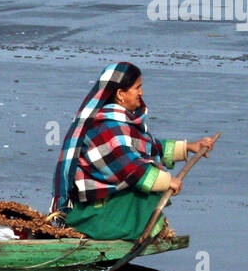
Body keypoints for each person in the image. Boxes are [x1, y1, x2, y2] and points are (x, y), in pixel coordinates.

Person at [50, 62, 215, 241]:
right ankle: (121, 232)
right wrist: (167, 181)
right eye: (137, 88)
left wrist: (190, 147)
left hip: (103, 204)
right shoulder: (107, 126)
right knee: (145, 191)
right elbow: (129, 168)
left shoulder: (120, 121)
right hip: (96, 213)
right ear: (120, 94)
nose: (141, 93)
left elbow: (148, 148)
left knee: (149, 184)